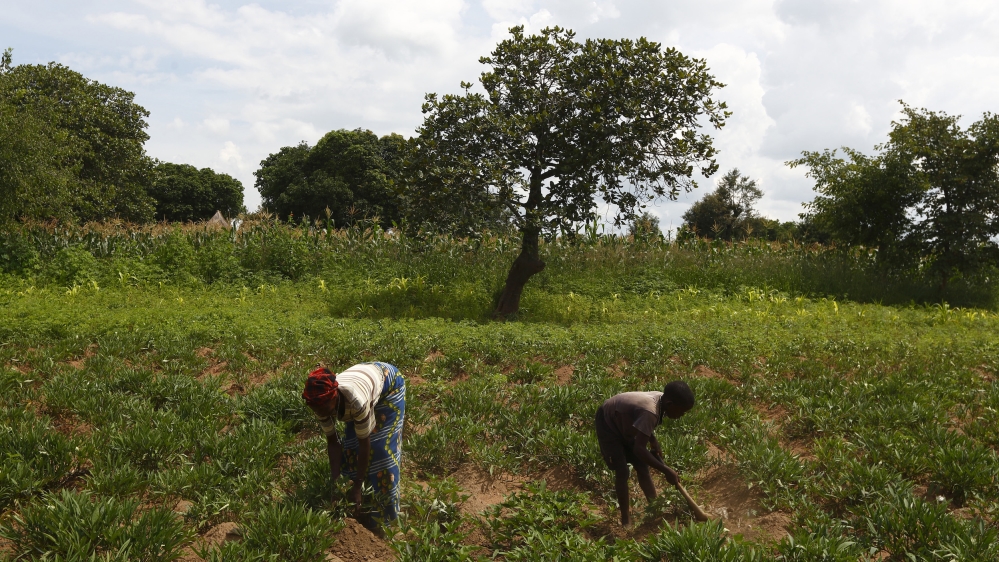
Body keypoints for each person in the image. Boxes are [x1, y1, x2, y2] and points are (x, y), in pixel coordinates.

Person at [302, 362, 406, 532]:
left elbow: (365, 444)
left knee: (381, 452)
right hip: (361, 385)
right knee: (350, 451)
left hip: (390, 386)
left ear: (334, 396)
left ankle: (387, 522)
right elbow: (333, 443)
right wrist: (336, 485)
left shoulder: (356, 400)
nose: (319, 412)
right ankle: (360, 507)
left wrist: (357, 486)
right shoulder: (319, 401)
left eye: (323, 409)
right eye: (315, 409)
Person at [594, 380, 695, 526]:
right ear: (670, 404)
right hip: (608, 422)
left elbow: (643, 422)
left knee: (642, 467)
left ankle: (655, 509)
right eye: (681, 411)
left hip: (626, 423)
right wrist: (666, 470)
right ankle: (625, 519)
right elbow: (639, 449)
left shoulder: (662, 401)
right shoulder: (651, 410)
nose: (682, 415)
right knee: (622, 471)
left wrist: (653, 440)